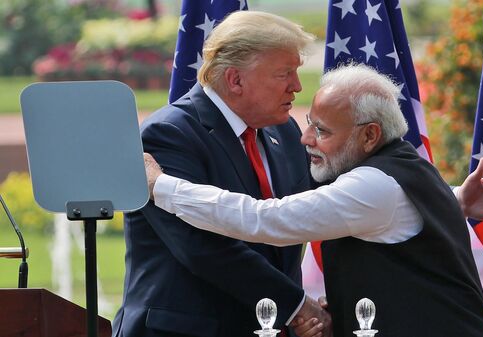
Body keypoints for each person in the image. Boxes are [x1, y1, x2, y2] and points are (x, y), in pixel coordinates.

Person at [144, 64, 483, 337]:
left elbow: (262, 220)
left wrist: (160, 185)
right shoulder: (403, 170)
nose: (305, 138)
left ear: (369, 136)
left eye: (322, 130)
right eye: (310, 121)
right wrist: (455, 199)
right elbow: (399, 214)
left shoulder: (371, 186)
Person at [112, 11, 332, 337]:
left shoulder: (284, 131)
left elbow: (303, 216)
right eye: (284, 73)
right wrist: (296, 306)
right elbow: (202, 247)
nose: (297, 86)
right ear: (235, 80)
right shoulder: (169, 135)